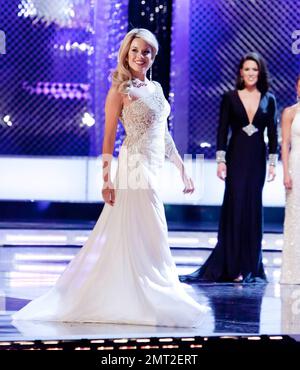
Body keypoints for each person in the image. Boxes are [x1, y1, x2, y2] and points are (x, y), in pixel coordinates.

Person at [12, 28, 209, 327]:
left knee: (142, 232)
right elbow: (108, 139)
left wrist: (182, 169)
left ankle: (146, 290)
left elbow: (163, 135)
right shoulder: (120, 90)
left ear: (153, 55)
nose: (140, 56)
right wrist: (106, 179)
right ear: (125, 54)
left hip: (154, 166)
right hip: (133, 167)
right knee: (153, 228)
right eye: (135, 51)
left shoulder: (155, 88)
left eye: (146, 51)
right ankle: (154, 292)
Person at [180, 52, 278, 284]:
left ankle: (249, 266)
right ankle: (232, 265)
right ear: (240, 73)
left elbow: (273, 134)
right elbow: (222, 130)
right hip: (236, 157)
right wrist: (221, 160)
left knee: (252, 208)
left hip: (257, 160)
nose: (251, 73)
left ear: (260, 72)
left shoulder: (269, 99)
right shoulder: (230, 97)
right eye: (247, 69)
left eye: (255, 69)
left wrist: (272, 163)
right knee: (234, 207)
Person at [280, 75, 300, 284]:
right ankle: (294, 271)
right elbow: (285, 144)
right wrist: (286, 172)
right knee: (295, 216)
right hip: (296, 166)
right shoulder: (290, 112)